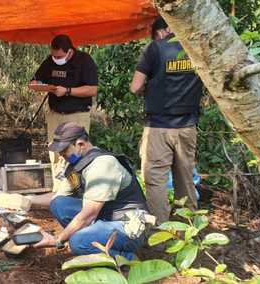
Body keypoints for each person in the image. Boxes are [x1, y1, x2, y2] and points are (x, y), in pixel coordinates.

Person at [31, 122, 149, 260]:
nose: (61, 155)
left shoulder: (102, 165)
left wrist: (58, 240)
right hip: (105, 218)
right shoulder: (78, 164)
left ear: (80, 144)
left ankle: (127, 259)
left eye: (64, 150)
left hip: (127, 226)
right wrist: (27, 200)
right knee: (59, 203)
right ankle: (90, 242)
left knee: (77, 242)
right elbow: (57, 196)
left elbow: (88, 215)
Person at [129, 16, 204, 224]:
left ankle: (162, 228)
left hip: (159, 127)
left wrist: (147, 88)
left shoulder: (155, 48)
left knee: (155, 179)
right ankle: (190, 226)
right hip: (188, 126)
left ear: (164, 30)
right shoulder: (196, 49)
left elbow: (135, 86)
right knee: (185, 178)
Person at [28, 35, 98, 193]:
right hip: (55, 114)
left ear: (69, 52)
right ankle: (58, 190)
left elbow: (92, 89)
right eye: (53, 56)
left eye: (59, 56)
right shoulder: (50, 61)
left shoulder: (84, 61)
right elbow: (34, 81)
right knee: (55, 154)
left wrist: (67, 91)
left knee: (75, 154)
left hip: (76, 115)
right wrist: (40, 86)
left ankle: (76, 190)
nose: (56, 59)